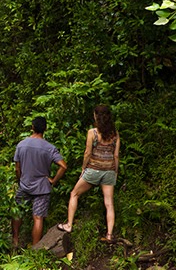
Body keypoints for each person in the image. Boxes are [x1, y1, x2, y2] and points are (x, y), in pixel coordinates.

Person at [57, 105, 120, 243]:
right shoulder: (115, 134)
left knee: (74, 194)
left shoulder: (93, 132)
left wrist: (83, 168)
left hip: (93, 170)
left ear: (96, 116)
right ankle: (109, 234)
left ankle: (69, 225)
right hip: (109, 170)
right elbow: (116, 156)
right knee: (109, 203)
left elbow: (87, 153)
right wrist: (115, 171)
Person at [12, 116, 67, 248]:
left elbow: (17, 168)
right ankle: (35, 249)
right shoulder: (49, 148)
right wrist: (53, 181)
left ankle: (15, 240)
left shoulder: (21, 145)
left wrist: (20, 180)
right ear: (45, 129)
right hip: (42, 187)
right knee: (38, 217)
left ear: (32, 127)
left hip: (24, 185)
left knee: (17, 211)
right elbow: (63, 166)